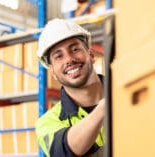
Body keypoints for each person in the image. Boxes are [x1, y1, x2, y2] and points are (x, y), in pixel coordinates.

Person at [35, 18, 105, 157]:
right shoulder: (47, 122)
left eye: (75, 49)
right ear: (53, 71)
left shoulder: (125, 91)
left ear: (90, 55)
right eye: (59, 56)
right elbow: (63, 151)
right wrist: (105, 107)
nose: (69, 60)